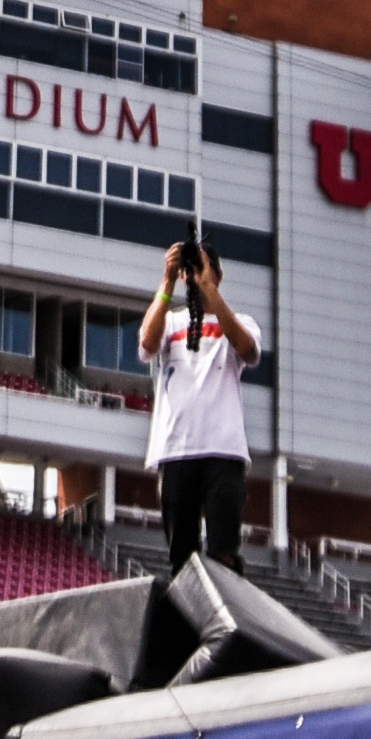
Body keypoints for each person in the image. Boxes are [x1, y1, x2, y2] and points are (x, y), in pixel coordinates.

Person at [138, 239, 260, 570]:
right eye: (189, 272)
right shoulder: (172, 321)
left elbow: (248, 351)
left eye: (202, 271)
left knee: (224, 550)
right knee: (182, 557)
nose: (195, 278)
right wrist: (166, 282)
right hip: (177, 449)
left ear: (218, 275)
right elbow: (147, 343)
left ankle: (226, 615)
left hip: (223, 449)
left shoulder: (241, 322)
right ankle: (186, 618)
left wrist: (210, 290)